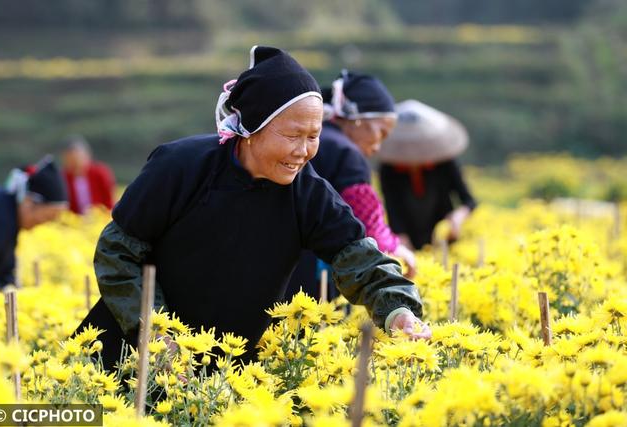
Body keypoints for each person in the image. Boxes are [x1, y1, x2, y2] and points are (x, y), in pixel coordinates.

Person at [75, 46, 430, 371]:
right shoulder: (180, 166)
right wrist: (152, 331)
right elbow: (116, 252)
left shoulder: (309, 193)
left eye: (313, 136)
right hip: (121, 354)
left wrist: (397, 310)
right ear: (252, 128)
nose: (303, 151)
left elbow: (362, 261)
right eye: (293, 136)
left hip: (224, 372)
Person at [285, 70, 418, 302]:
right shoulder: (347, 153)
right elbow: (367, 223)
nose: (377, 147)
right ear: (358, 118)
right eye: (380, 133)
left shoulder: (315, 141)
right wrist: (398, 250)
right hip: (312, 279)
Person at [378, 100, 477, 249]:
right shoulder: (389, 169)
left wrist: (458, 217)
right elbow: (392, 206)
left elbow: (469, 200)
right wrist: (401, 238)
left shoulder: (445, 163)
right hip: (408, 238)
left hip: (445, 238)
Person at [0, 156, 68, 289]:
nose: (43, 224)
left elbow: (4, 267)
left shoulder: (8, 212)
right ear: (29, 202)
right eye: (47, 217)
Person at [62, 135, 116, 214]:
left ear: (87, 155)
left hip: (100, 218)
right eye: (70, 159)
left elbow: (109, 200)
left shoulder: (100, 172)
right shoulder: (63, 177)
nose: (75, 163)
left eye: (77, 157)